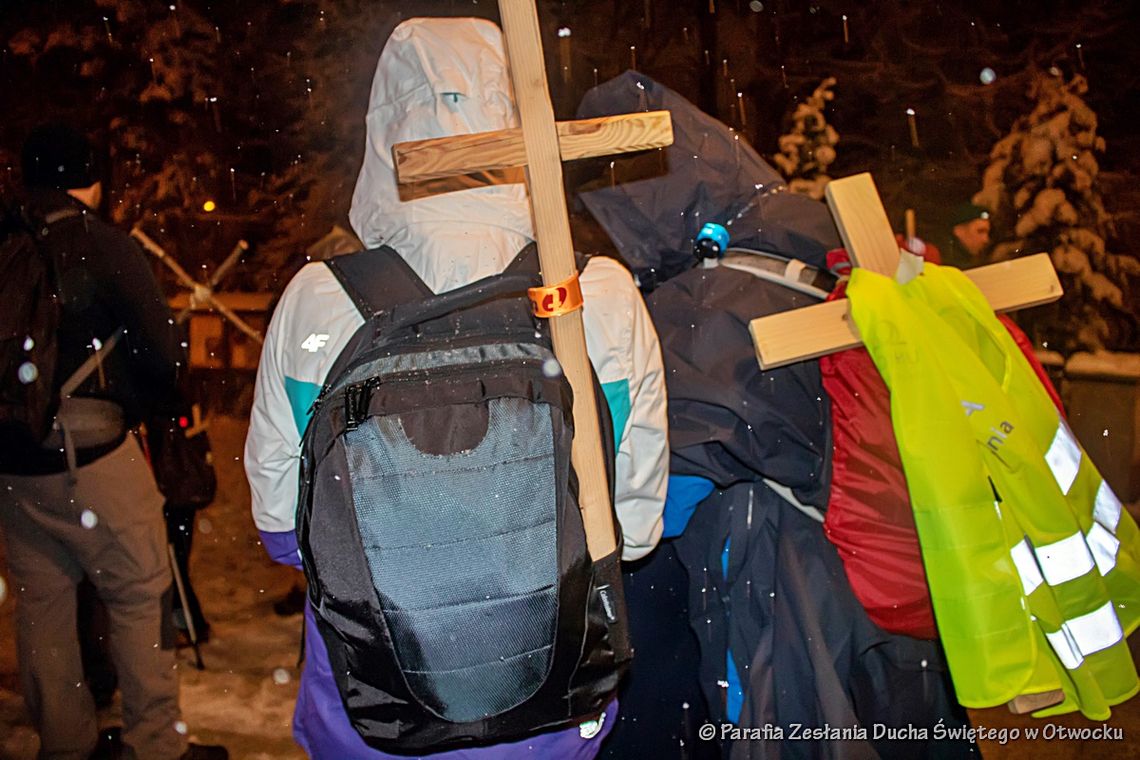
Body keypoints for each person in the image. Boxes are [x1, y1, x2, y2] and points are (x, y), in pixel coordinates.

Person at [245, 16, 669, 759]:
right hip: (550, 706)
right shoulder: (596, 295)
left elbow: (285, 531)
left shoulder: (319, 298)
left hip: (371, 707)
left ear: (384, 133)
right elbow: (631, 532)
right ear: (518, 116)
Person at [0, 124, 227, 760]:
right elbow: (159, 351)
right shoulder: (101, 246)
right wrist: (161, 405)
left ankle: (66, 743)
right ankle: (155, 743)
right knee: (140, 589)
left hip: (15, 462)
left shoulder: (7, 239)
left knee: (42, 602)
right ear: (89, 179)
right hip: (93, 453)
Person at [937, 201, 991, 268]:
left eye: (987, 233)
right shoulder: (944, 263)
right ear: (959, 231)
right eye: (980, 231)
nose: (986, 240)